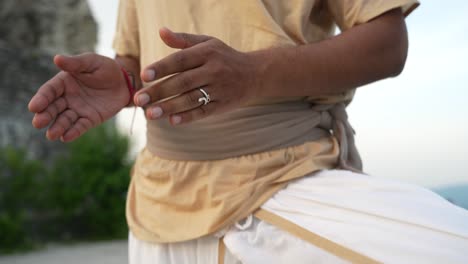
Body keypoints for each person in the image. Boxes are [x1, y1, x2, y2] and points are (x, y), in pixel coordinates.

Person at [28, 0, 468, 263]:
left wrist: (253, 74)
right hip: (155, 208)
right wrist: (125, 83)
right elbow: (136, 59)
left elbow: (388, 43)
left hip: (285, 178)